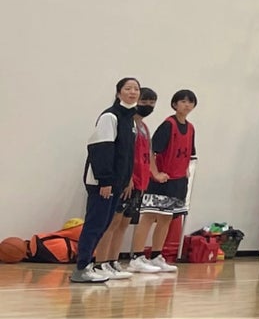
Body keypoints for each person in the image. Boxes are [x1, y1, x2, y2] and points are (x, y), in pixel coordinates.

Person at [73, 79, 142, 283]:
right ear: (119, 93)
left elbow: (127, 155)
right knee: (95, 224)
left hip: (117, 183)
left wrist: (127, 179)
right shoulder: (110, 116)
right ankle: (81, 268)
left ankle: (89, 265)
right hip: (101, 183)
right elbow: (101, 149)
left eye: (136, 89)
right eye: (128, 88)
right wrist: (105, 181)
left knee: (103, 225)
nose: (132, 92)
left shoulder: (131, 121)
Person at [133, 89, 196, 271]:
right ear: (175, 104)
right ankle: (136, 257)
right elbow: (151, 151)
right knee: (149, 216)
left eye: (190, 102)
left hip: (178, 181)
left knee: (166, 218)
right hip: (161, 180)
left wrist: (185, 170)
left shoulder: (190, 128)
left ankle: (156, 256)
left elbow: (190, 153)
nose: (187, 105)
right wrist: (155, 173)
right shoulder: (168, 125)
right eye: (183, 101)